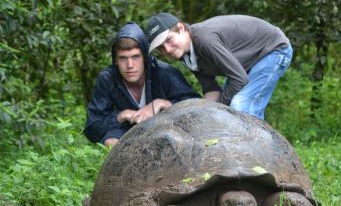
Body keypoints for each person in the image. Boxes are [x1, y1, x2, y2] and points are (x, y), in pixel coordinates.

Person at [147, 13, 293, 119]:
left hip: (273, 50)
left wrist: (218, 109)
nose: (167, 49)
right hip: (246, 62)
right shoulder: (185, 54)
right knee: (222, 109)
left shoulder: (205, 40)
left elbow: (239, 79)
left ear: (181, 28)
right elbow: (211, 90)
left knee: (240, 105)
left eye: (169, 40)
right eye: (160, 47)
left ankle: (261, 157)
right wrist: (204, 115)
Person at [83, 22, 199, 147]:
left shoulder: (165, 73)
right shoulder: (107, 79)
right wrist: (120, 116)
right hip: (126, 134)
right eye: (123, 58)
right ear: (115, 60)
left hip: (164, 130)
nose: (130, 65)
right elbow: (92, 129)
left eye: (135, 57)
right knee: (111, 142)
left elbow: (197, 110)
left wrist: (165, 104)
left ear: (145, 57)